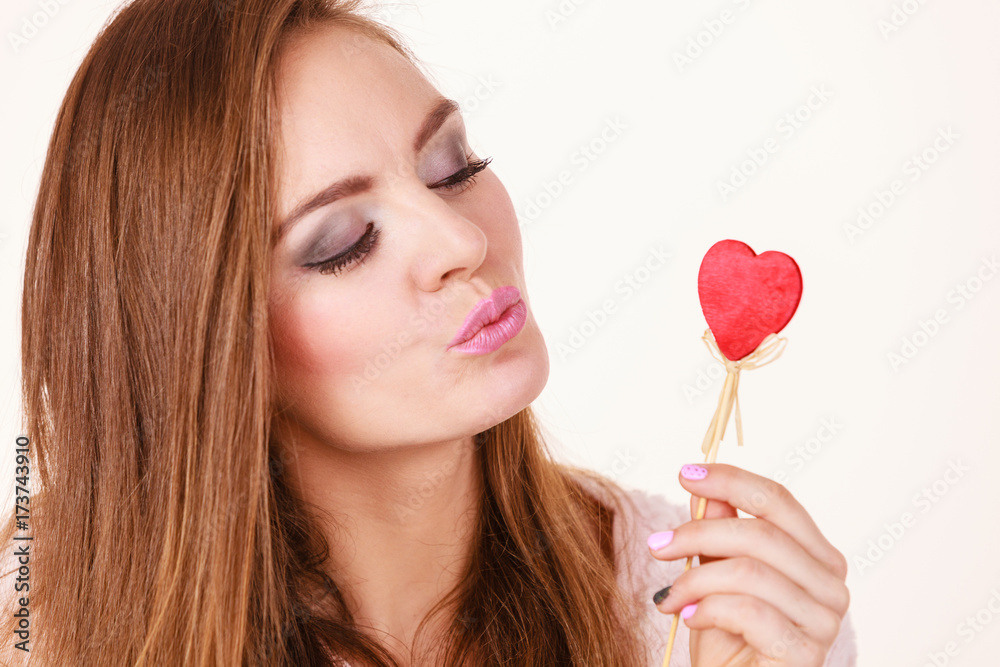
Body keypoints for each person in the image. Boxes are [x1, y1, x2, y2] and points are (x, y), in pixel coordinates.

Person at [0, 0, 857, 665]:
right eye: (343, 243)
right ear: (206, 349)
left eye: (454, 167)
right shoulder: (38, 623)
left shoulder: (693, 603)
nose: (462, 241)